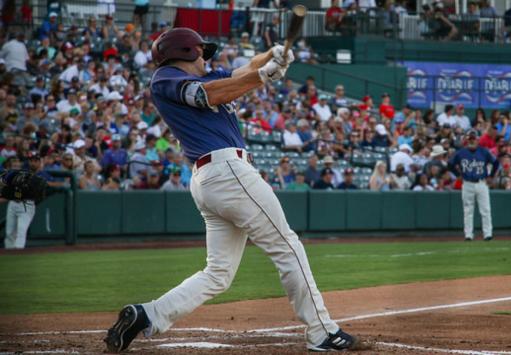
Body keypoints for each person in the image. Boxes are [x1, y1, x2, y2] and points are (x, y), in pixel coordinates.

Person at [104, 28, 359, 353]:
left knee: (218, 273)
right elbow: (211, 94)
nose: (204, 58)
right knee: (287, 246)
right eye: (200, 52)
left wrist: (272, 55)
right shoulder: (165, 78)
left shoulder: (208, 78)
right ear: (184, 52)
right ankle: (322, 330)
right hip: (225, 171)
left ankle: (147, 314)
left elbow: (242, 72)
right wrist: (264, 76)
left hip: (214, 177)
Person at [449, 129, 499, 241]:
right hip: (467, 183)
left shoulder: (484, 151)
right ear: (467, 140)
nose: (472, 140)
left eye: (474, 138)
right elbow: (450, 164)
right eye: (470, 138)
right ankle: (468, 235)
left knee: (485, 210)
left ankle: (488, 234)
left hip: (482, 183)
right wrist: (458, 174)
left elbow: (496, 162)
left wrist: (491, 176)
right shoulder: (461, 153)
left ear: (477, 139)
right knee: (468, 210)